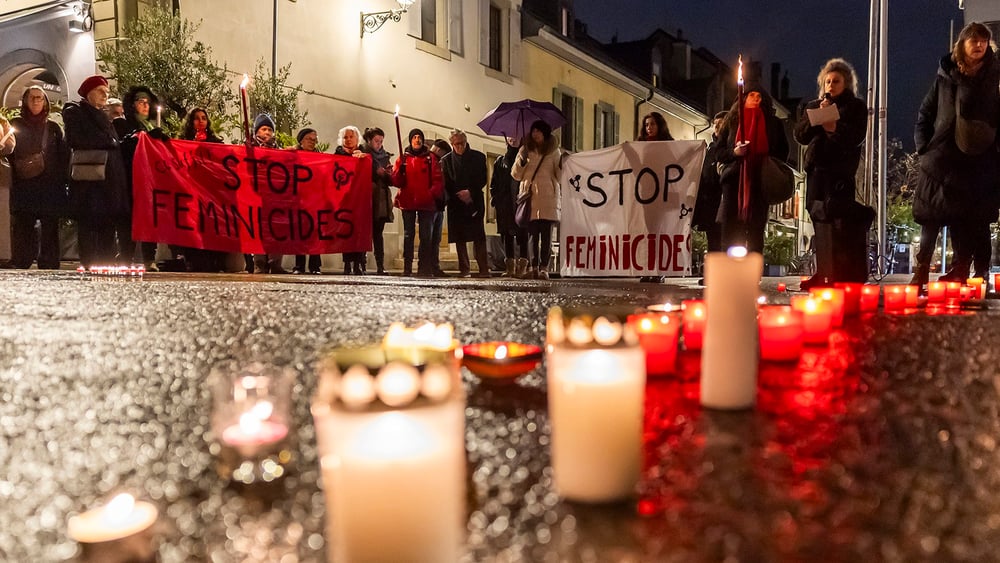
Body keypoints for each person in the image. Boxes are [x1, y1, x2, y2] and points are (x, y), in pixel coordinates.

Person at [912, 22, 1000, 286]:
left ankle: (969, 269)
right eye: (973, 39)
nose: (979, 44)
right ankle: (922, 269)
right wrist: (923, 148)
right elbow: (925, 114)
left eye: (984, 40)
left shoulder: (994, 79)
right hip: (941, 157)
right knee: (931, 213)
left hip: (980, 158)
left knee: (973, 216)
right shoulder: (945, 78)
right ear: (962, 44)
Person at [794, 58, 871, 290]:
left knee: (838, 220)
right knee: (818, 218)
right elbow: (800, 135)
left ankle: (841, 271)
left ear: (846, 83)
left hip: (839, 171)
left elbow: (856, 137)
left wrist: (834, 127)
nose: (830, 85)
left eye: (836, 81)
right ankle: (824, 271)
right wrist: (815, 116)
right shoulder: (815, 104)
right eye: (827, 81)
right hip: (817, 169)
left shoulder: (855, 107)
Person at [62, 75, 131, 270]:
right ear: (89, 92)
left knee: (108, 224)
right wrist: (109, 142)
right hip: (89, 182)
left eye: (107, 92)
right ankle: (90, 262)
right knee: (89, 223)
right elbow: (78, 138)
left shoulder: (103, 115)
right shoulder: (75, 111)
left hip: (109, 181)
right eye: (101, 91)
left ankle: (107, 262)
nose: (105, 95)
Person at [716, 85, 790, 255]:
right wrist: (734, 152)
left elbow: (783, 152)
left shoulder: (773, 123)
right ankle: (731, 270)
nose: (755, 98)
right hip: (734, 181)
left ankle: (752, 272)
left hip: (760, 181)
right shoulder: (732, 120)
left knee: (756, 228)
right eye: (751, 95)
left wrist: (766, 159)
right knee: (731, 228)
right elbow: (718, 152)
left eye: (759, 95)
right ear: (743, 97)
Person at [9, 86, 68, 270]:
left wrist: (63, 180)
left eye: (40, 98)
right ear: (25, 101)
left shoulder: (53, 127)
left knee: (50, 225)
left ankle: (49, 261)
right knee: (23, 224)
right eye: (32, 98)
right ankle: (22, 260)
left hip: (49, 185)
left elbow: (63, 155)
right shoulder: (15, 124)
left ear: (45, 102)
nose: (36, 101)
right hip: (24, 184)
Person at [177, 107, 230, 272]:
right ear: (190, 122)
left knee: (211, 225)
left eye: (204, 118)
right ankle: (193, 259)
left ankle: (215, 260)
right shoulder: (182, 142)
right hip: (190, 193)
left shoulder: (216, 143)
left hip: (211, 194)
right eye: (196, 118)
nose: (200, 121)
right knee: (192, 227)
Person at [114, 86, 160, 271]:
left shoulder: (153, 127)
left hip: (150, 181)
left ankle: (149, 258)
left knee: (150, 218)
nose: (145, 105)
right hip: (129, 179)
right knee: (128, 220)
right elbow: (118, 148)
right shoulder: (122, 125)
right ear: (132, 105)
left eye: (148, 102)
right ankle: (126, 256)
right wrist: (133, 139)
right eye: (141, 102)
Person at [511, 120, 562, 280]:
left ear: (545, 133)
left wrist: (562, 165)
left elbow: (559, 177)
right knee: (532, 236)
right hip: (530, 197)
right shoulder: (524, 150)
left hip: (548, 198)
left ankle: (544, 268)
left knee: (546, 236)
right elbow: (516, 175)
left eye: (539, 131)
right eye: (533, 131)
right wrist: (522, 161)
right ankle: (533, 267)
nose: (535, 134)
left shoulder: (554, 152)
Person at [391, 128, 444, 277]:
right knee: (408, 235)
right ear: (410, 140)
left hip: (426, 203)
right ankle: (407, 267)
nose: (417, 139)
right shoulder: (403, 158)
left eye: (419, 137)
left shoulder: (430, 159)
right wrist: (399, 171)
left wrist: (430, 194)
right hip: (408, 201)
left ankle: (424, 267)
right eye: (414, 137)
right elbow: (396, 181)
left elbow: (437, 179)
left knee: (426, 236)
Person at [441, 129, 490, 277]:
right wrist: (457, 195)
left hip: (474, 200)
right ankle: (464, 268)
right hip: (456, 202)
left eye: (461, 143)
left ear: (466, 141)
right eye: (456, 144)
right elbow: (446, 182)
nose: (459, 147)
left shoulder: (478, 157)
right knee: (459, 237)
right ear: (451, 144)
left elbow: (482, 178)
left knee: (478, 236)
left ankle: (483, 268)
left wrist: (470, 192)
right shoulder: (446, 160)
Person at [635, 111, 674, 283]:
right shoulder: (640, 145)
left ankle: (660, 270)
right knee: (650, 232)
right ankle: (648, 268)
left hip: (662, 192)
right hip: (646, 193)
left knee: (659, 231)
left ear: (660, 126)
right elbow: (637, 167)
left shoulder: (668, 145)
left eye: (652, 124)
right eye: (646, 125)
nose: (649, 128)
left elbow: (676, 163)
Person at [692, 111, 728, 284]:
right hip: (709, 202)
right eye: (716, 124)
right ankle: (712, 275)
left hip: (724, 200)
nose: (718, 127)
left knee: (724, 240)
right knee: (713, 241)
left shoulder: (728, 146)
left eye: (722, 123)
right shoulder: (710, 149)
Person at [248, 113, 285, 273]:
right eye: (264, 129)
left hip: (275, 197)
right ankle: (260, 262)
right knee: (258, 229)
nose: (267, 132)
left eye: (270, 129)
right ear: (256, 132)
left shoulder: (278, 151)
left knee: (276, 228)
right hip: (255, 195)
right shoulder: (250, 149)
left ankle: (276, 262)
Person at [491, 136, 529, 277]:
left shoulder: (525, 159)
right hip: (505, 203)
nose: (513, 139)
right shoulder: (500, 161)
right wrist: (495, 198)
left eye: (516, 136)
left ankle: (523, 267)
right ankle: (510, 267)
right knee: (506, 234)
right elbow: (494, 183)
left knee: (522, 234)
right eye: (509, 137)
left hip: (520, 201)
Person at [335, 126, 368, 275]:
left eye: (351, 137)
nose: (348, 140)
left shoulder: (364, 154)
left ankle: (359, 263)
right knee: (346, 233)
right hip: (343, 201)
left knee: (359, 233)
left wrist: (364, 159)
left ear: (357, 139)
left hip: (360, 201)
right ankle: (347, 263)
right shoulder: (336, 156)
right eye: (345, 137)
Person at [363, 127, 394, 275]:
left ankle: (380, 266)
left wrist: (387, 174)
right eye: (376, 141)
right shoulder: (363, 153)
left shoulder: (384, 156)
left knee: (378, 233)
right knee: (363, 233)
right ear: (369, 140)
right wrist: (374, 172)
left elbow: (390, 180)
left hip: (380, 200)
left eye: (381, 141)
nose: (379, 144)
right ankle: (360, 264)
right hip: (366, 197)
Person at [293, 128, 324, 275]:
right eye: (309, 139)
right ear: (301, 140)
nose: (312, 142)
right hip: (298, 200)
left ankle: (315, 266)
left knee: (314, 235)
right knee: (299, 234)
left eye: (314, 139)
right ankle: (299, 266)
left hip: (315, 201)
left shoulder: (320, 158)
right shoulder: (293, 155)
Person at [428, 139, 452, 276]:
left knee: (436, 238)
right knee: (430, 238)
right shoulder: (430, 160)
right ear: (438, 150)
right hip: (432, 204)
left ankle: (434, 266)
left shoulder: (438, 162)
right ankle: (430, 266)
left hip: (439, 204)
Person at [0, 116, 17, 265]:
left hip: (1, 174)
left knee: (2, 216)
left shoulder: (2, 122)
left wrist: (3, 145)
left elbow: (10, 145)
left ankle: (2, 254)